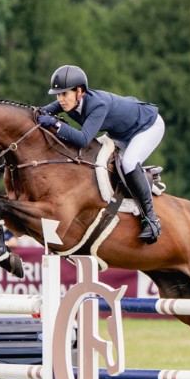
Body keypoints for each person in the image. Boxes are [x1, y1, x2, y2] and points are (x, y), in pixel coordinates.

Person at [38, 64, 165, 244]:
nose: (61, 100)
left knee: (128, 163)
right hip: (120, 132)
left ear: (79, 91)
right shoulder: (69, 101)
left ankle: (151, 220)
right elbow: (39, 112)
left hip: (147, 126)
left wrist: (56, 124)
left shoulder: (97, 105)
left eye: (64, 94)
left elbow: (83, 139)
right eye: (58, 95)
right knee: (94, 155)